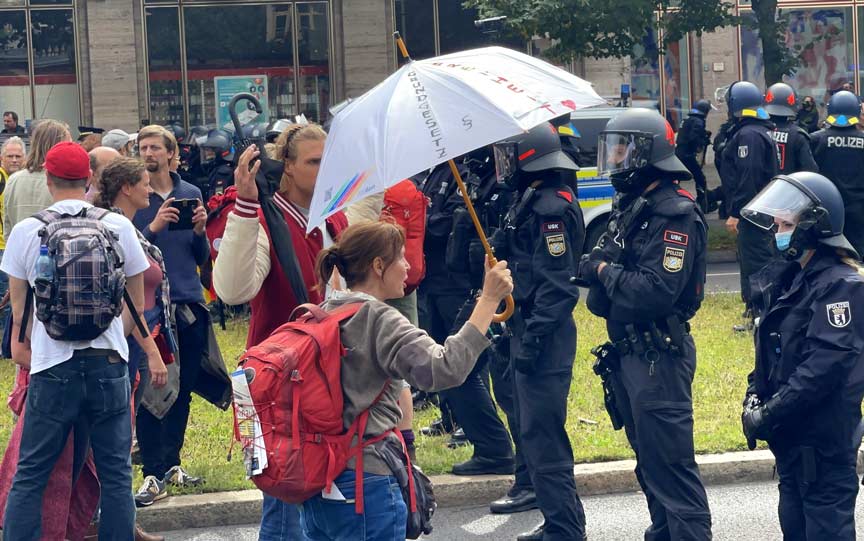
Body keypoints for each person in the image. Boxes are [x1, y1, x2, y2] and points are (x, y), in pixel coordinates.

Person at [301, 220, 513, 540]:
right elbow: (444, 369)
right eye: (400, 257)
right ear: (378, 266)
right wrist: (487, 300)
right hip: (366, 483)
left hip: (319, 482)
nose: (408, 265)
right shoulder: (379, 318)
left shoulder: (325, 310)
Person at [1, 141, 150, 540]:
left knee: (31, 473)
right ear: (89, 179)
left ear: (47, 180)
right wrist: (109, 334)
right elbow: (136, 304)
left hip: (53, 368)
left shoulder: (26, 231)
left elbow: (20, 315)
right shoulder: (118, 226)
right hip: (109, 364)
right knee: (117, 474)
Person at [579, 108, 712, 539]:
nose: (615, 160)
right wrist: (603, 273)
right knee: (650, 468)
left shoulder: (673, 213)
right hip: (631, 355)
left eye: (622, 151)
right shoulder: (633, 206)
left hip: (660, 358)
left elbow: (655, 290)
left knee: (672, 471)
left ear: (647, 153)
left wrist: (602, 273)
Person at [213, 124, 349, 540]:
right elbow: (232, 290)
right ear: (286, 166)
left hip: (331, 374)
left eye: (329, 160)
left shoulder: (337, 215)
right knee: (283, 502)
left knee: (327, 502)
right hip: (273, 379)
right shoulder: (265, 217)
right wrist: (246, 207)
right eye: (313, 161)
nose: (324, 169)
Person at [740, 171, 864, 540]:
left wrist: (770, 412)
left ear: (813, 226)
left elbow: (824, 366)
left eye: (786, 222)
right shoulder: (792, 279)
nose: (777, 228)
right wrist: (753, 394)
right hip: (792, 441)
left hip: (822, 443)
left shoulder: (841, 285)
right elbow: (772, 353)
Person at [489, 122, 587, 541]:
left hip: (542, 336)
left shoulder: (551, 208)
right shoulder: (528, 201)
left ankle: (566, 529)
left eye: (512, 156)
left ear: (530, 158)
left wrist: (533, 341)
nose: (505, 165)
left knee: (544, 436)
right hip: (523, 329)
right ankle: (556, 522)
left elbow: (557, 288)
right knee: (532, 432)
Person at [132, 125, 213, 506]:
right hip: (152, 308)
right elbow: (128, 249)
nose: (149, 153)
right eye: (142, 147)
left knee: (183, 389)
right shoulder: (135, 194)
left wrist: (200, 231)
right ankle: (151, 469)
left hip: (189, 303)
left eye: (154, 147)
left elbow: (201, 258)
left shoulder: (190, 192)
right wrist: (153, 226)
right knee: (153, 390)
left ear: (170, 153)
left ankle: (172, 464)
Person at [718, 81, 780, 329]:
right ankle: (754, 311)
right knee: (755, 260)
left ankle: (760, 316)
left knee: (757, 265)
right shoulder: (757, 131)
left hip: (754, 213)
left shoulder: (749, 135)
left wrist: (737, 213)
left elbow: (748, 176)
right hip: (761, 211)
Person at [810, 90, 864, 257]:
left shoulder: (815, 140)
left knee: (826, 257)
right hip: (858, 211)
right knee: (857, 258)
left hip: (826, 210)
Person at [3, 119, 71, 235]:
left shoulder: (13, 180)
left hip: (21, 249)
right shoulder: (62, 181)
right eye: (68, 143)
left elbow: (8, 226)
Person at [764, 83, 818, 175]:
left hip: (764, 189)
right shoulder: (798, 136)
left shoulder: (758, 132)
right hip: (789, 187)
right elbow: (810, 170)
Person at [0, 137, 25, 327]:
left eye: (18, 156)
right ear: (2, 158)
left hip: (14, 245)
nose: (14, 160)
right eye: (10, 156)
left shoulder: (21, 179)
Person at [675, 99, 713, 211]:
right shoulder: (698, 121)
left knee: (676, 177)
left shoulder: (688, 118)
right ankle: (702, 204)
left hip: (679, 152)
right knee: (700, 178)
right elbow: (693, 137)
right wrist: (702, 141)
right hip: (687, 154)